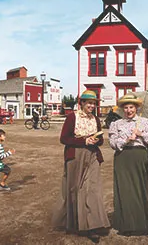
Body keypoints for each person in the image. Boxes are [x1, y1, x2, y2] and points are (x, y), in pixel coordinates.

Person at [52, 90, 110, 243]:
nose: (92, 105)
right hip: (75, 156)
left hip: (92, 156)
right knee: (74, 189)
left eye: (94, 103)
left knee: (92, 189)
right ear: (82, 103)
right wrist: (83, 141)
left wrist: (95, 140)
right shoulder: (72, 117)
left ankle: (92, 226)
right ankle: (74, 223)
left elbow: (101, 140)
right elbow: (64, 138)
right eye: (89, 103)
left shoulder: (96, 119)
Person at [109, 94, 148, 236]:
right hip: (122, 159)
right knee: (124, 191)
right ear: (122, 109)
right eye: (126, 107)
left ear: (136, 108)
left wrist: (141, 133)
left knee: (141, 189)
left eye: (131, 107)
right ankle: (126, 225)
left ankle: (142, 224)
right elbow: (112, 144)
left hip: (140, 158)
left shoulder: (146, 122)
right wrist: (125, 140)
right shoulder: (116, 124)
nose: (129, 110)